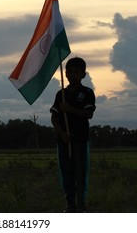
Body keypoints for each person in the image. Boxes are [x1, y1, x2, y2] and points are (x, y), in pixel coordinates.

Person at [50, 57, 96, 213]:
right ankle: (70, 204)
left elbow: (88, 114)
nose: (72, 74)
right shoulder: (60, 94)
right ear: (65, 73)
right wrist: (62, 133)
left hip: (80, 140)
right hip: (64, 141)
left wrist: (70, 110)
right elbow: (54, 117)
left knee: (80, 172)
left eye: (77, 72)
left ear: (83, 74)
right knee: (66, 172)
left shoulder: (87, 92)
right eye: (69, 72)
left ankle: (81, 203)